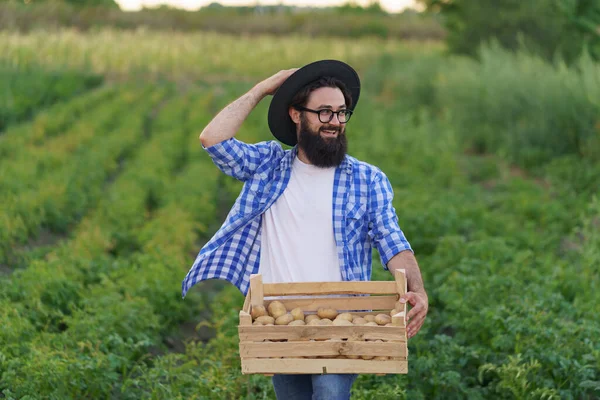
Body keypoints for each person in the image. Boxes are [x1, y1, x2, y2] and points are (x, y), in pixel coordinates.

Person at [181, 60, 429, 400]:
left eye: (342, 113)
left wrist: (418, 288)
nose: (335, 122)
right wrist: (262, 89)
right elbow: (213, 139)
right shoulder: (268, 166)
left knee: (329, 393)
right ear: (296, 115)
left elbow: (391, 240)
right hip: (281, 321)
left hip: (341, 322)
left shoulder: (368, 179)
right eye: (324, 112)